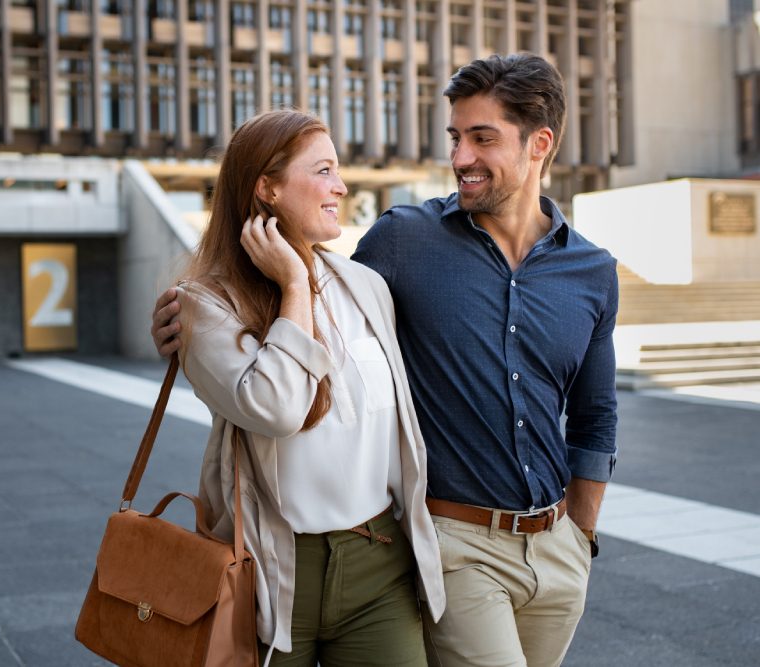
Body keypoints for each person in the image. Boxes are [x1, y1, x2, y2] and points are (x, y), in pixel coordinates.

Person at [153, 53, 618, 667]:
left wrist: (580, 536)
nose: (460, 159)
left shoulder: (591, 270)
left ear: (540, 144)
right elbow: (275, 345)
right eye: (456, 138)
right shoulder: (402, 242)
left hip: (543, 547)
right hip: (446, 542)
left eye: (482, 139)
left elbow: (595, 413)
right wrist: (188, 326)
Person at [166, 109, 445, 666]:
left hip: (379, 561)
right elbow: (277, 409)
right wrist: (294, 282)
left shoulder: (366, 286)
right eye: (322, 170)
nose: (340, 186)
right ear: (266, 188)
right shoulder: (204, 305)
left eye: (338, 170)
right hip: (271, 570)